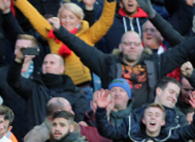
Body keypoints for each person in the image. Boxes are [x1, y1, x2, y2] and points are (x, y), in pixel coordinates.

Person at [48, 18, 195, 109]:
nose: (132, 47)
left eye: (136, 44)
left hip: (146, 119)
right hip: (116, 120)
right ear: (120, 47)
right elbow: (81, 48)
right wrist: (60, 31)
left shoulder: (156, 62)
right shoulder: (107, 63)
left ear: (141, 46)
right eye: (128, 43)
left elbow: (182, 50)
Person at [13, 0, 116, 89]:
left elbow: (105, 23)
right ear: (59, 19)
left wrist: (111, 1)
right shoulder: (52, 34)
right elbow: (34, 17)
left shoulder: (88, 35)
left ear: (79, 20)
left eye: (71, 17)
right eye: (64, 17)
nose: (67, 21)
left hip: (83, 88)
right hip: (57, 87)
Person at [10, 48, 88, 124]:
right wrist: (18, 61)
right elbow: (14, 81)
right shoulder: (33, 86)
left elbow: (78, 120)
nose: (47, 65)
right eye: (45, 63)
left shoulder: (75, 92)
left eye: (52, 63)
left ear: (62, 69)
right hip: (38, 135)